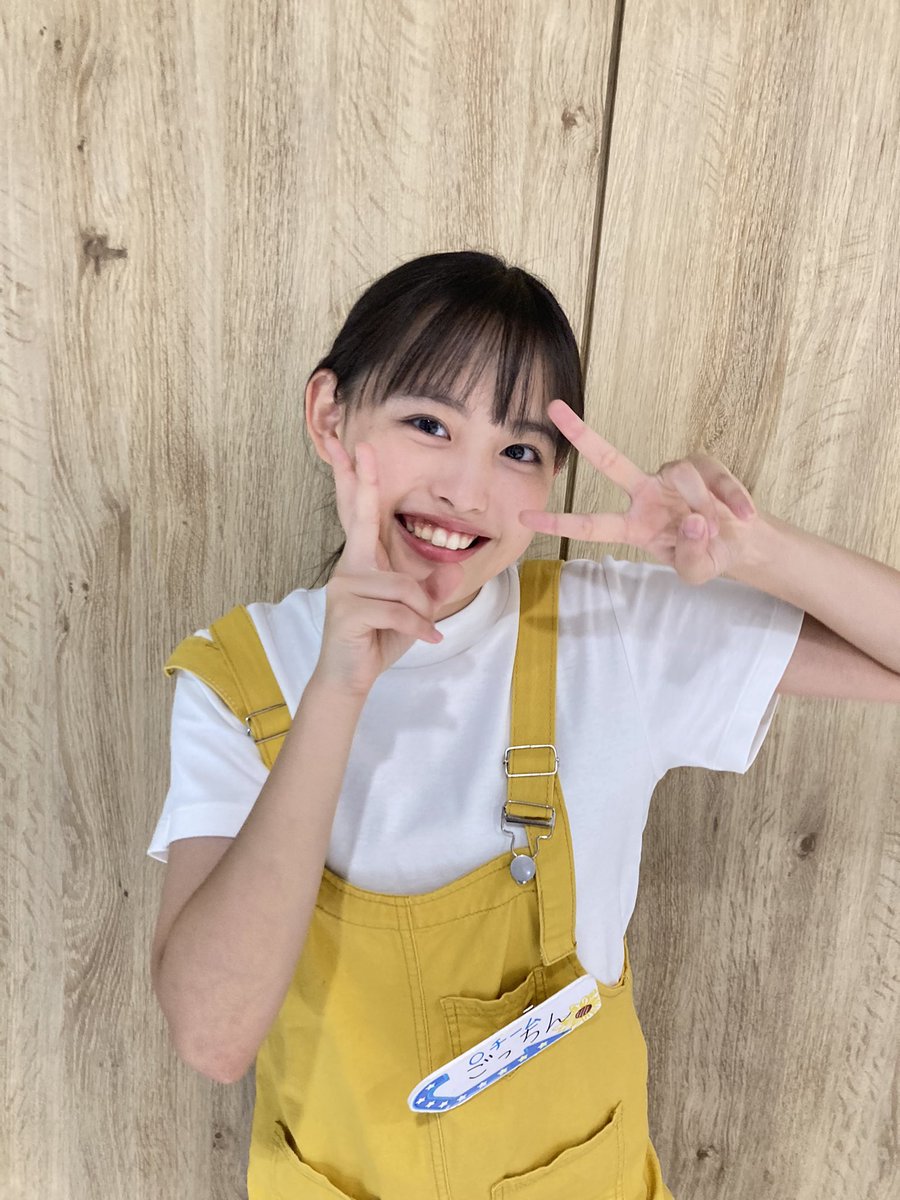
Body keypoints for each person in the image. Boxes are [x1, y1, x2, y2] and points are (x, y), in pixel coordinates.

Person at [148, 250, 900, 1199]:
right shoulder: (237, 675)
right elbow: (213, 1039)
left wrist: (753, 547)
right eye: (429, 424)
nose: (467, 493)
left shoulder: (609, 628)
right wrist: (337, 691)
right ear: (330, 416)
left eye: (518, 453)